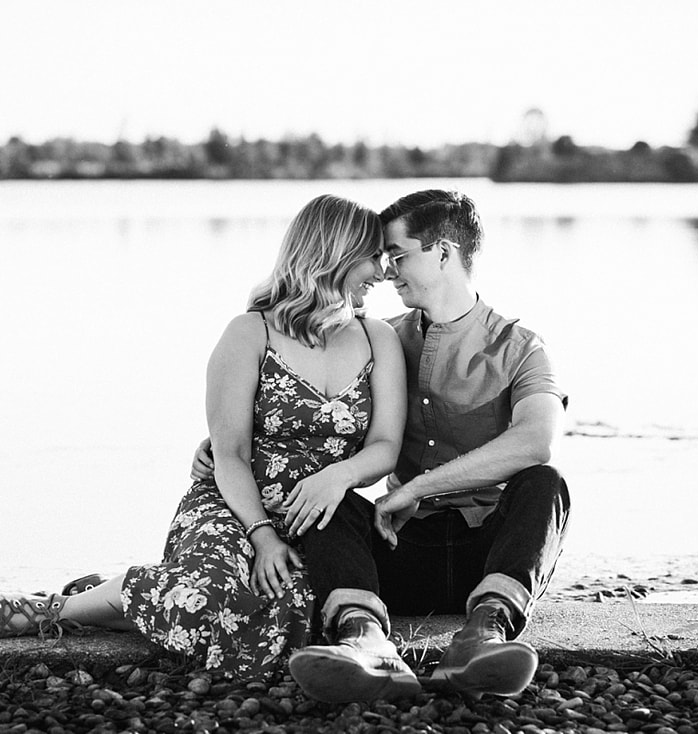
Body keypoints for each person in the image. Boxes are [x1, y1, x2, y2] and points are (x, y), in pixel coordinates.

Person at [0, 194, 408, 682]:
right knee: (212, 591)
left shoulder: (378, 339)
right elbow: (230, 452)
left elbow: (385, 446)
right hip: (235, 503)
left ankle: (118, 595)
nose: (384, 270)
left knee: (297, 608)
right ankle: (58, 609)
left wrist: (338, 477)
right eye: (374, 256)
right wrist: (261, 534)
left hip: (323, 519)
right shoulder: (250, 333)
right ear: (337, 252)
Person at [193, 189, 570, 702]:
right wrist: (218, 445)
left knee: (545, 485)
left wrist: (417, 486)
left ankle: (484, 636)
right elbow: (297, 408)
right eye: (383, 258)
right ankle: (365, 642)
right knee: (332, 499)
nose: (387, 271)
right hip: (400, 546)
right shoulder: (378, 339)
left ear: (443, 253)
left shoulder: (523, 349)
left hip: (490, 552)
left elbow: (536, 441)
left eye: (399, 256)